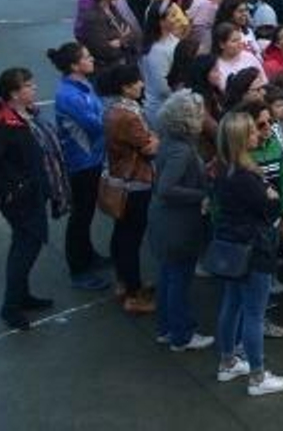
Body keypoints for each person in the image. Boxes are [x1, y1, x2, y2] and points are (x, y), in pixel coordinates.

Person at [0, 68, 66, 330]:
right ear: (14, 93)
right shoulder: (5, 126)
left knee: (26, 244)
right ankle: (10, 306)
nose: (34, 89)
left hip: (31, 192)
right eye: (28, 85)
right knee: (25, 247)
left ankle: (22, 296)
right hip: (22, 199)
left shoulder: (24, 116)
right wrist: (9, 191)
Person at [213, 110, 283, 396]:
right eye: (252, 131)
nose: (259, 133)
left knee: (232, 303)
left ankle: (228, 361)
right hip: (254, 248)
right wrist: (270, 197)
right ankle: (258, 377)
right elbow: (269, 208)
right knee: (254, 314)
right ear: (240, 139)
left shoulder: (224, 170)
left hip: (231, 246)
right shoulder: (246, 177)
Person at [147, 92, 213, 352]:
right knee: (179, 281)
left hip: (165, 223)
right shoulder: (182, 150)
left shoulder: (169, 142)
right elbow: (166, 188)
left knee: (168, 277)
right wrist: (202, 194)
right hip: (178, 225)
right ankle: (182, 334)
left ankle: (167, 328)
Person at [47, 42, 111, 292]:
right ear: (74, 65)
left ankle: (88, 254)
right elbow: (96, 124)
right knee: (81, 217)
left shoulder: (82, 85)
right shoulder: (70, 96)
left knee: (87, 213)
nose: (92, 58)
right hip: (81, 163)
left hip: (92, 158)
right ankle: (78, 269)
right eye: (86, 57)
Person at [100, 64, 158, 313]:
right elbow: (149, 147)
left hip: (121, 179)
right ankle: (133, 293)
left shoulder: (116, 110)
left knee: (123, 235)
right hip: (135, 182)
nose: (142, 85)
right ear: (125, 87)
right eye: (137, 82)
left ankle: (125, 282)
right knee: (131, 237)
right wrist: (155, 138)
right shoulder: (128, 116)